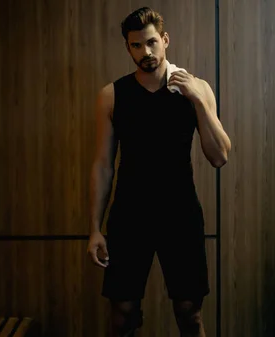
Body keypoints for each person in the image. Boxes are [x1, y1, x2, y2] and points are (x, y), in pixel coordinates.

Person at [87, 7, 231, 337]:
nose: (146, 52)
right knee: (122, 313)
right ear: (128, 48)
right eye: (136, 45)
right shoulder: (112, 96)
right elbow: (103, 164)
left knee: (189, 313)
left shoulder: (197, 88)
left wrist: (198, 100)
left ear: (165, 40)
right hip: (129, 214)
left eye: (152, 43)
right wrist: (94, 228)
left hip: (179, 212)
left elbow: (220, 155)